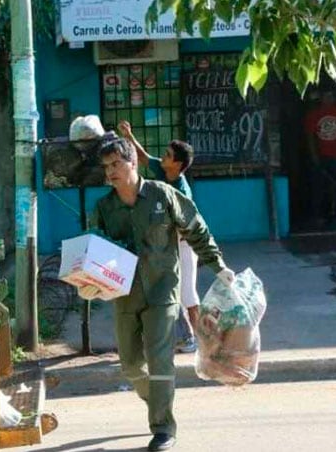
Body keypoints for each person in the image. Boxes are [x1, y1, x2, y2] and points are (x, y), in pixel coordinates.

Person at [75, 133, 235, 451]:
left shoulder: (163, 195)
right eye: (106, 166)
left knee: (160, 361)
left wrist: (218, 267)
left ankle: (163, 428)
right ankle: (157, 401)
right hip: (125, 294)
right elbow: (93, 250)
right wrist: (87, 282)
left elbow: (197, 230)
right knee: (131, 366)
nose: (110, 171)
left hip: (163, 291)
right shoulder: (104, 208)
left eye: (117, 163)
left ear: (133, 162)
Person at [117, 120, 199, 353]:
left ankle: (201, 341)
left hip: (183, 245)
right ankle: (184, 338)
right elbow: (142, 157)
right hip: (168, 245)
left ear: (178, 164)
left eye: (167, 155)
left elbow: (179, 225)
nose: (162, 157)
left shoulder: (181, 191)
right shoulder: (164, 171)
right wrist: (129, 135)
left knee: (187, 295)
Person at [303, 90, 336, 227]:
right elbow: (310, 137)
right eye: (326, 95)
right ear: (321, 97)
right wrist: (314, 157)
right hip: (321, 157)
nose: (328, 98)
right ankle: (318, 216)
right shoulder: (314, 114)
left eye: (331, 95)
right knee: (319, 188)